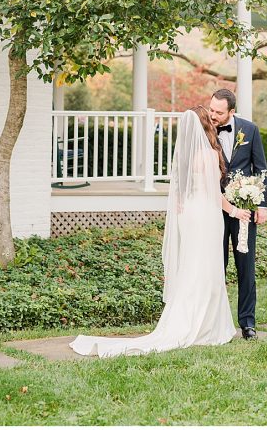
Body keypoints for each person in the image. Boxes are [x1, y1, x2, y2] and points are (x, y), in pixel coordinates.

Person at [70, 106, 244, 357]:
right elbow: (214, 195)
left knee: (191, 266)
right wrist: (235, 211)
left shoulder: (185, 155)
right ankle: (204, 326)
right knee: (205, 267)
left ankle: (191, 319)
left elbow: (182, 192)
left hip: (189, 215)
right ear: (206, 124)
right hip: (205, 215)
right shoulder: (206, 154)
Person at [209, 87, 267, 340]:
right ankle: (216, 322)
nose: (213, 115)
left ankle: (248, 323)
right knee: (215, 266)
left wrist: (262, 204)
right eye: (211, 109)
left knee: (246, 267)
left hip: (245, 209)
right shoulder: (204, 129)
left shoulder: (250, 129)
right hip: (214, 208)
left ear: (231, 112)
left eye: (219, 112)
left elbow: (260, 168)